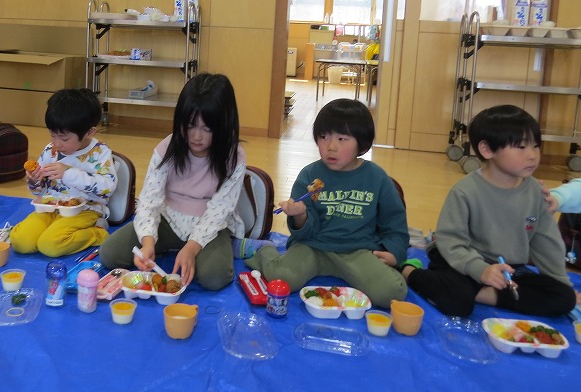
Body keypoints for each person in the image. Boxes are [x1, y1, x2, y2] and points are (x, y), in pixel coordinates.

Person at [402, 105, 576, 317]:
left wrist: (561, 282)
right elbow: (451, 242)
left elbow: (546, 242)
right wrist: (480, 270)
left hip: (506, 268)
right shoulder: (465, 191)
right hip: (460, 259)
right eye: (521, 147)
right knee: (458, 301)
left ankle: (482, 295)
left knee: (564, 298)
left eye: (536, 146)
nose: (532, 155)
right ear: (487, 150)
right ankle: (410, 272)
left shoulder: (535, 191)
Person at [245, 98, 409, 309]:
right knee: (282, 276)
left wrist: (395, 252)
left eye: (342, 139)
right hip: (313, 247)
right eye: (324, 137)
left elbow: (395, 222)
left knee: (392, 292)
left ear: (361, 142)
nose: (331, 147)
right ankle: (264, 252)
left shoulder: (376, 178)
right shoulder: (309, 175)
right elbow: (303, 233)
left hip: (358, 252)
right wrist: (301, 215)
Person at [100, 73, 246, 291]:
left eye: (207, 129)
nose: (196, 136)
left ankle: (218, 247)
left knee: (214, 277)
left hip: (208, 225)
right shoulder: (166, 149)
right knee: (109, 254)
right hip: (167, 219)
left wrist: (192, 248)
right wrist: (148, 242)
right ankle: (166, 247)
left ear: (224, 125)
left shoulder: (233, 157)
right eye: (190, 125)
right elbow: (149, 200)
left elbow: (220, 210)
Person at [9, 88, 116, 257]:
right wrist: (35, 181)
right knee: (20, 241)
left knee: (49, 245)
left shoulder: (100, 152)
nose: (57, 143)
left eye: (64, 138)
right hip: (50, 207)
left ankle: (97, 233)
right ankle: (52, 230)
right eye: (52, 135)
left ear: (89, 132)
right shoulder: (50, 150)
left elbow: (107, 187)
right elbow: (40, 192)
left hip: (85, 209)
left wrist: (68, 173)